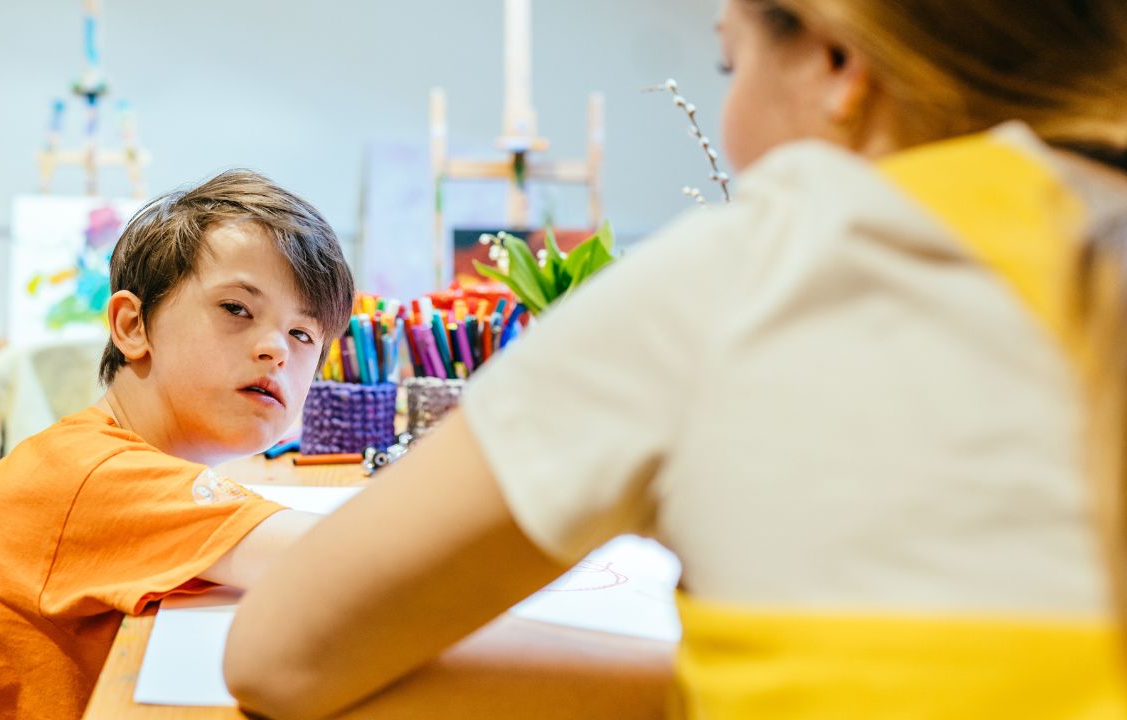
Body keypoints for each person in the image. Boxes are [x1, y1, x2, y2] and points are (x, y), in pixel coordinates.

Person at [223, 1, 1127, 718]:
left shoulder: (751, 274)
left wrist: (721, 683)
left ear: (838, 66)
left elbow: (279, 656)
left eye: (729, 64)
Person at [0, 169, 355, 719]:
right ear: (132, 325)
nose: (276, 349)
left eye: (303, 334)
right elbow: (343, 564)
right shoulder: (94, 473)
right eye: (237, 309)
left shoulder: (102, 457)